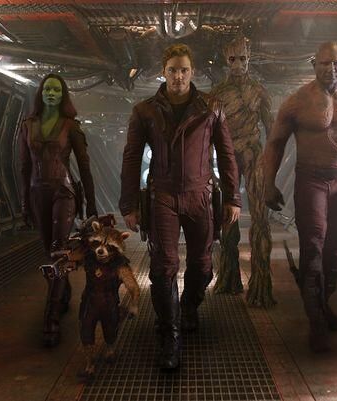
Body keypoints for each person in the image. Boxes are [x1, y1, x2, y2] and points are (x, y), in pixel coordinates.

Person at [119, 44, 241, 369]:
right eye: (172, 70)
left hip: (200, 195)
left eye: (184, 69)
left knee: (203, 266)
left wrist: (233, 198)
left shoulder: (211, 108)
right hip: (163, 196)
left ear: (192, 72)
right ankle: (170, 336)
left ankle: (187, 308)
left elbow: (226, 155)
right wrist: (129, 205)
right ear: (164, 72)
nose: (178, 76)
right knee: (163, 268)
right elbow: (131, 159)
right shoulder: (145, 111)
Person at [263, 42, 337, 352]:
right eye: (325, 63)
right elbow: (275, 143)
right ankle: (316, 320)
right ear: (314, 64)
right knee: (313, 244)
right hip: (311, 181)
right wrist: (268, 184)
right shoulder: (297, 102)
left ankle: (321, 301)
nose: (331, 69)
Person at [19, 73, 97, 347]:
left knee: (59, 251)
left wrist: (92, 205)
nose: (51, 93)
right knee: (48, 251)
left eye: (56, 90)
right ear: (41, 93)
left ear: (62, 95)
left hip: (64, 192)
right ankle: (62, 294)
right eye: (47, 89)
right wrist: (24, 203)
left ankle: (51, 318)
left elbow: (84, 166)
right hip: (37, 193)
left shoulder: (70, 126)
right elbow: (24, 167)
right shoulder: (27, 125)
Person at [210, 35, 275, 307]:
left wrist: (272, 167)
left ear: (250, 58)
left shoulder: (259, 92)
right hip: (229, 157)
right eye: (233, 59)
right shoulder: (218, 94)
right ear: (226, 60)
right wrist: (209, 167)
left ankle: (261, 283)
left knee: (261, 218)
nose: (238, 65)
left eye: (243, 59)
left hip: (254, 154)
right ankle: (229, 277)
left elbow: (272, 131)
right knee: (228, 216)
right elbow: (209, 133)